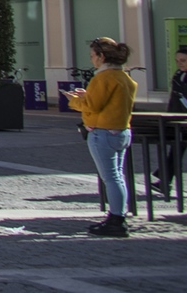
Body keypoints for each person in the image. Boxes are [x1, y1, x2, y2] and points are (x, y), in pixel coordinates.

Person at [66, 37, 139, 236]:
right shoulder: (124, 77)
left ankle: (116, 219)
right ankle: (117, 215)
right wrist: (86, 95)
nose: (92, 60)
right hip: (121, 130)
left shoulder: (102, 78)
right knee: (118, 176)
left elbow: (92, 105)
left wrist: (74, 100)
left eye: (93, 56)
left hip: (102, 132)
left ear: (101, 56)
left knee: (111, 177)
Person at [153, 45, 187, 191]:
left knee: (177, 148)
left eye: (183, 60)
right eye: (177, 61)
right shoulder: (179, 75)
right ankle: (164, 181)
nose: (180, 63)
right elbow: (174, 99)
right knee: (176, 148)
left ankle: (164, 180)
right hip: (180, 122)